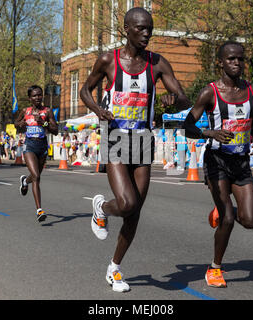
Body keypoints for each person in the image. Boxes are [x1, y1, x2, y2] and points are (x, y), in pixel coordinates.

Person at [80, 7, 191, 293]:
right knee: (127, 203)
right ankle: (101, 207)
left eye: (150, 29)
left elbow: (178, 94)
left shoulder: (157, 64)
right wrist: (97, 111)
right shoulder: (108, 60)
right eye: (140, 28)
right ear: (126, 29)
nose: (146, 34)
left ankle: (114, 268)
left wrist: (178, 100)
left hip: (142, 139)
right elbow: (85, 90)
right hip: (115, 137)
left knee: (135, 211)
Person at [182, 40, 253, 288]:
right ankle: (215, 268)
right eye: (231, 59)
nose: (237, 63)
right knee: (229, 218)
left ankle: (220, 210)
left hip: (241, 163)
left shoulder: (252, 90)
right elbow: (188, 126)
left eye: (241, 59)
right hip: (216, 162)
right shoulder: (210, 92)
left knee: (250, 221)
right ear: (221, 62)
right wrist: (210, 133)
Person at [15, 85, 59, 222]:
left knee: (36, 176)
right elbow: (16, 124)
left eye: (39, 95)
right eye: (34, 95)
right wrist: (21, 123)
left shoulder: (47, 111)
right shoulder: (25, 111)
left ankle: (24, 181)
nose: (38, 97)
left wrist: (43, 123)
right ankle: (39, 210)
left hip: (42, 146)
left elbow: (55, 130)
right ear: (30, 98)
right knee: (36, 176)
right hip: (30, 146)